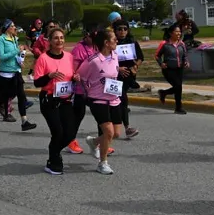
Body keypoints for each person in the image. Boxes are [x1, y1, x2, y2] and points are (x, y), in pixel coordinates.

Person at [76, 27, 123, 175]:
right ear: (106, 43)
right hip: (98, 100)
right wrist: (89, 90)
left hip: (114, 98)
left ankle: (94, 141)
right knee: (108, 132)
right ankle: (103, 163)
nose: (117, 41)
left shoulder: (115, 55)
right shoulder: (93, 61)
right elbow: (81, 76)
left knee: (116, 134)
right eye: (114, 39)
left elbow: (113, 71)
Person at [33, 27, 79, 175]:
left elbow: (71, 75)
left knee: (70, 133)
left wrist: (75, 78)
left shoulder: (69, 56)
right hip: (49, 99)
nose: (59, 40)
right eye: (55, 38)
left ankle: (54, 153)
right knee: (58, 132)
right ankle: (54, 161)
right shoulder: (43, 59)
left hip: (65, 99)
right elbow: (37, 83)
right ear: (50, 41)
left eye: (61, 38)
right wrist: (49, 76)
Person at [0, 20, 37, 132]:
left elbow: (15, 55)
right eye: (12, 26)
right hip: (5, 73)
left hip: (16, 71)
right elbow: (1, 56)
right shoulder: (1, 40)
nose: (15, 28)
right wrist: (16, 50)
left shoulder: (14, 39)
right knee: (1, 97)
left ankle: (24, 121)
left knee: (21, 95)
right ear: (7, 28)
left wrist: (20, 59)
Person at [112, 20, 141, 138]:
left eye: (125, 29)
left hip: (128, 76)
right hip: (114, 77)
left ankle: (118, 126)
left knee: (121, 102)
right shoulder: (111, 43)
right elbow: (104, 60)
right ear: (115, 31)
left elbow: (140, 57)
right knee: (121, 101)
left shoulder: (132, 42)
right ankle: (126, 128)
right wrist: (118, 68)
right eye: (119, 29)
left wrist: (136, 66)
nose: (122, 31)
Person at [156, 25, 189, 114]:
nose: (179, 33)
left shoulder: (181, 44)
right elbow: (157, 56)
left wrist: (186, 61)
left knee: (178, 87)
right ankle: (177, 105)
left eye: (179, 32)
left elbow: (184, 55)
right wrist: (161, 63)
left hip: (179, 69)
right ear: (171, 33)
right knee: (178, 86)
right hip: (168, 69)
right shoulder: (164, 44)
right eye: (176, 32)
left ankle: (177, 106)